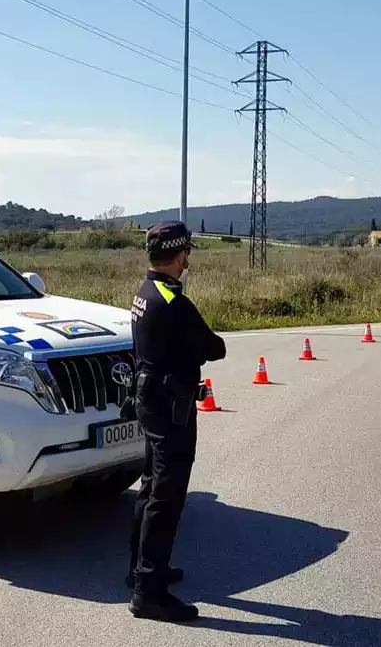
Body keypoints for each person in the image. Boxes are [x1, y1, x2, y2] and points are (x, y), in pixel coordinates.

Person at [125, 220, 226, 622]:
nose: (188, 260)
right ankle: (149, 593)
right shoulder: (173, 302)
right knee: (166, 499)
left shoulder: (145, 292)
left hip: (151, 401)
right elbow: (213, 348)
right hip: (171, 407)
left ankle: (140, 571)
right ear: (180, 254)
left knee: (150, 489)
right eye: (188, 254)